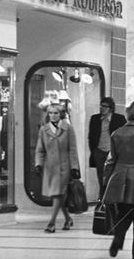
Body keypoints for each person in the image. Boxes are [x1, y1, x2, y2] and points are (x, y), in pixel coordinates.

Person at [102, 101, 134, 259]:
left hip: (119, 175)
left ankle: (118, 235)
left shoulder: (116, 133)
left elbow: (112, 159)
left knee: (123, 211)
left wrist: (106, 180)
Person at [35, 103, 80, 233]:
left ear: (60, 114)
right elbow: (40, 150)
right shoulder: (44, 130)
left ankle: (51, 223)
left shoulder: (68, 129)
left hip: (64, 167)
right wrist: (38, 164)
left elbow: (72, 149)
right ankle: (68, 219)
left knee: (57, 194)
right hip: (50, 168)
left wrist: (75, 167)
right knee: (59, 196)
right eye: (50, 113)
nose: (53, 115)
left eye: (55, 113)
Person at [88, 97, 125, 195]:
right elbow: (91, 137)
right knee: (101, 178)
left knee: (112, 177)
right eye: (101, 106)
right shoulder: (95, 118)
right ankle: (102, 200)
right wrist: (94, 151)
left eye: (105, 106)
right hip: (99, 152)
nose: (102, 108)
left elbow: (123, 136)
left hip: (112, 153)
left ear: (111, 108)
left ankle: (111, 200)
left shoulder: (119, 119)